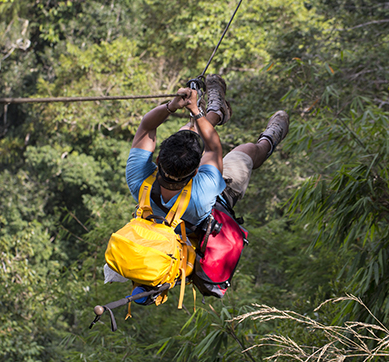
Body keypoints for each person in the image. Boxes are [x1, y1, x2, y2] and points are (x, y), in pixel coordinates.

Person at [105, 74, 290, 289]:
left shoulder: (139, 178)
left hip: (178, 218)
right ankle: (268, 140)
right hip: (220, 198)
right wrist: (193, 111)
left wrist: (172, 106)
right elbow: (213, 146)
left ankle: (217, 113)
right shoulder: (205, 188)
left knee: (186, 136)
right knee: (246, 152)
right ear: (197, 171)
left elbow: (146, 128)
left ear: (157, 160)